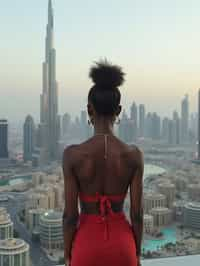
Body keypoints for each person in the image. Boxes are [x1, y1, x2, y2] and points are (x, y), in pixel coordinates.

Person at [62, 60, 144, 266]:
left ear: (89, 110)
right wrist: (137, 253)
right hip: (123, 247)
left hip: (86, 248)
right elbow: (137, 214)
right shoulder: (134, 155)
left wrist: (68, 254)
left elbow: (70, 217)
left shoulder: (72, 155)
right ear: (119, 110)